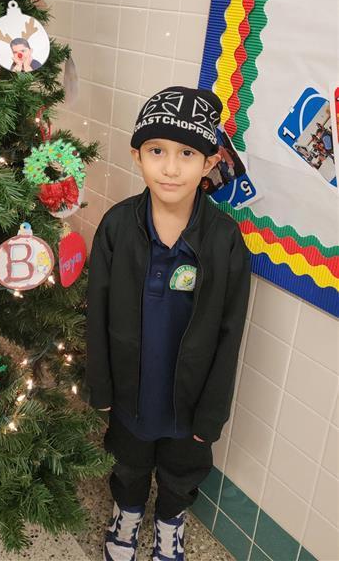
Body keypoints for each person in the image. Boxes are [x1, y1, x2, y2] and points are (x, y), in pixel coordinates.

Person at [85, 87, 252, 561]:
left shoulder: (225, 241)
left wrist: (212, 413)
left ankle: (169, 523)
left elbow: (230, 334)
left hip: (189, 401)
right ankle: (127, 515)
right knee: (129, 461)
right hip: (130, 391)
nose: (171, 168)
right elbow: (97, 311)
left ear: (209, 162)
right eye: (157, 151)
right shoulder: (117, 227)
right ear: (137, 154)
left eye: (187, 154)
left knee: (182, 468)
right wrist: (101, 386)